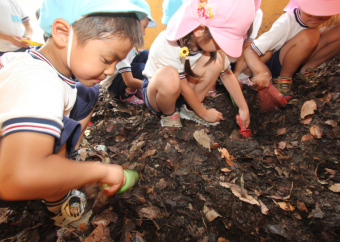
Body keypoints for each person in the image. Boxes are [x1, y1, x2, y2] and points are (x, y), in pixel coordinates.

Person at [0, 0, 147, 228]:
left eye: (117, 62)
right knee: (63, 125)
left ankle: (64, 163)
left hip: (15, 151)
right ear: (62, 34)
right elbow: (16, 178)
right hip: (10, 168)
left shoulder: (46, 65)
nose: (110, 70)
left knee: (87, 91)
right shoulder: (39, 83)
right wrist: (99, 171)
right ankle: (57, 199)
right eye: (107, 59)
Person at [142, 0, 255, 128]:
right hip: (159, 95)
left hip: (182, 91)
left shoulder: (207, 46)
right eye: (220, 40)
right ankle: (169, 115)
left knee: (216, 60)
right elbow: (183, 86)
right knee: (170, 76)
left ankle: (189, 108)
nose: (222, 47)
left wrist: (243, 108)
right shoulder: (167, 44)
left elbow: (227, 75)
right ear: (199, 30)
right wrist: (204, 113)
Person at [243, 0, 340, 99]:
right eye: (311, 11)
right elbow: (250, 50)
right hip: (279, 65)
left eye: (322, 12)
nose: (316, 17)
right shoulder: (287, 22)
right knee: (311, 35)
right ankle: (284, 79)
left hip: (302, 60)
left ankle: (306, 70)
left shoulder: (327, 19)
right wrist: (261, 71)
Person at [101, 0, 157, 105]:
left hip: (121, 76)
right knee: (140, 69)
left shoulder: (127, 41)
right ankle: (127, 95)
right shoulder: (120, 44)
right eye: (144, 27)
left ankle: (138, 89)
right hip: (112, 85)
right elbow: (129, 81)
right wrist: (153, 86)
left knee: (144, 54)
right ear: (132, 22)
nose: (144, 33)